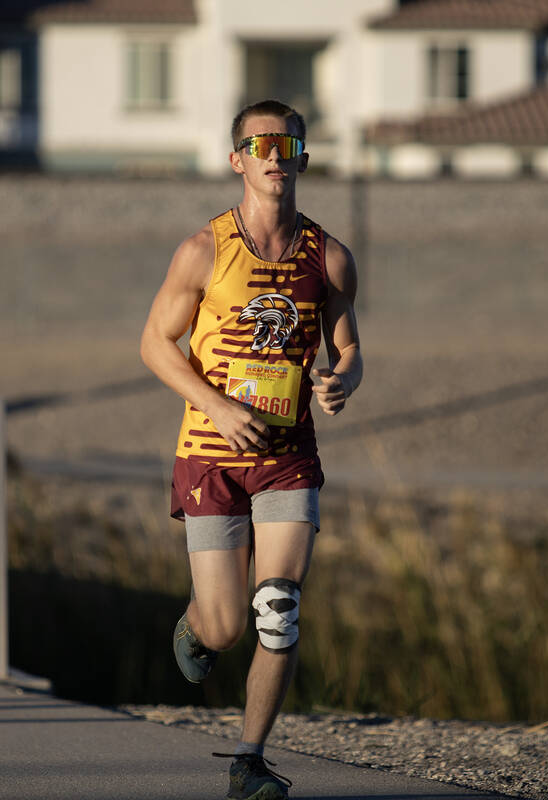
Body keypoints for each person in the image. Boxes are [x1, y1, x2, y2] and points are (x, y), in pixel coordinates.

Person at [140, 99, 362, 800]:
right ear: (237, 159)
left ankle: (249, 760)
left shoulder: (328, 256)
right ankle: (199, 625)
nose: (275, 154)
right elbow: (153, 344)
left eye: (288, 144)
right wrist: (217, 405)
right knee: (230, 625)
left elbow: (349, 346)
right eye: (260, 144)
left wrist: (342, 380)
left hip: (289, 454)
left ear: (301, 158)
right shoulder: (203, 250)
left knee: (280, 607)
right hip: (209, 454)